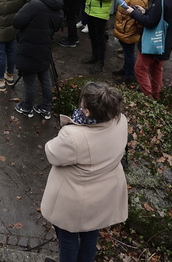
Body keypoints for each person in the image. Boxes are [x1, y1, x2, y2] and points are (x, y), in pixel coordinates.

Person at [40, 82, 128, 261]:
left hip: (75, 200)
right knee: (90, 235)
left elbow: (52, 153)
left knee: (68, 239)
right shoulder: (121, 121)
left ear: (87, 111)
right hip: (103, 195)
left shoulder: (74, 136)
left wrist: (67, 129)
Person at [122, 0, 172, 100]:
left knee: (140, 69)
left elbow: (150, 22)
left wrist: (134, 13)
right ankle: (156, 96)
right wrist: (146, 10)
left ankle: (147, 97)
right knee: (156, 69)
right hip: (166, 41)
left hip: (154, 42)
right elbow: (162, 15)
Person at [13, 0, 64, 119]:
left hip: (29, 46)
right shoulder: (58, 5)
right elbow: (57, 25)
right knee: (44, 76)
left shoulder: (35, 5)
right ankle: (45, 108)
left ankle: (27, 107)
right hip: (45, 46)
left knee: (29, 79)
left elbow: (17, 22)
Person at [113, 0, 150, 85]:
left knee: (129, 54)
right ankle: (125, 70)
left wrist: (137, 32)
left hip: (129, 30)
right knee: (126, 52)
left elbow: (138, 18)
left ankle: (129, 77)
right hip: (125, 28)